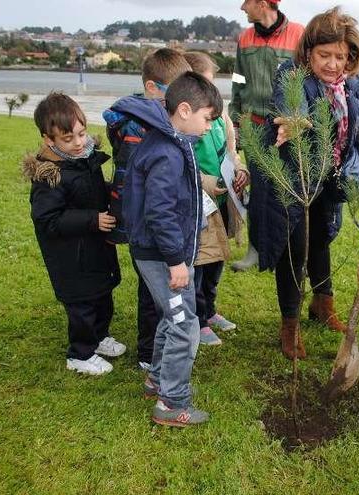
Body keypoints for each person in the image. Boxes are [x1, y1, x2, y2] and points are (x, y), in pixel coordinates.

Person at [255, 7, 359, 359]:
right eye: (325, 55)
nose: (334, 64)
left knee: (321, 238)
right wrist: (297, 122)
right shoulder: (291, 74)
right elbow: (291, 109)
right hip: (294, 176)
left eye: (341, 56)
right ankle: (289, 325)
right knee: (294, 248)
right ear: (308, 51)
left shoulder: (351, 84)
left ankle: (323, 305)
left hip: (329, 178)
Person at [120, 72, 223, 427]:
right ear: (183, 110)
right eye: (208, 117)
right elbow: (159, 211)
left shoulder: (175, 142)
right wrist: (176, 260)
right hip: (164, 256)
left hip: (166, 253)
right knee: (184, 325)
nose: (210, 126)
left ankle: (157, 379)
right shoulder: (166, 151)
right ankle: (171, 402)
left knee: (173, 316)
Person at [23, 92, 124, 375]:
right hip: (71, 257)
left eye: (81, 133)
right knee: (83, 305)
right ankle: (80, 354)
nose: (79, 142)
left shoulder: (84, 159)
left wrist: (111, 191)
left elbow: (89, 192)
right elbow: (47, 219)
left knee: (103, 296)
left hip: (95, 248)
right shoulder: (49, 176)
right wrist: (92, 220)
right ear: (48, 139)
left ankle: (99, 337)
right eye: (68, 139)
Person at [103, 48, 191, 370]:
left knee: (154, 289)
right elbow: (138, 187)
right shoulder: (139, 129)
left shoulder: (154, 125)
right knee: (151, 292)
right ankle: (148, 353)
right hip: (144, 227)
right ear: (152, 88)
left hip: (150, 224)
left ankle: (154, 347)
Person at [229, 0, 305, 272]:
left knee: (288, 190)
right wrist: (235, 114)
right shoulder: (245, 37)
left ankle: (286, 251)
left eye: (246, 2)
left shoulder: (299, 34)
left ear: (262, 3)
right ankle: (256, 250)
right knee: (260, 192)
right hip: (255, 125)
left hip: (288, 127)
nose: (242, 8)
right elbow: (238, 78)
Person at [183, 51, 251, 345]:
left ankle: (209, 310)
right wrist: (207, 183)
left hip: (224, 202)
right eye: (203, 84)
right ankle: (197, 319)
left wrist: (240, 169)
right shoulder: (184, 122)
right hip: (200, 204)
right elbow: (181, 166)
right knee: (200, 262)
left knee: (217, 259)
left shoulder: (221, 115)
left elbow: (231, 150)